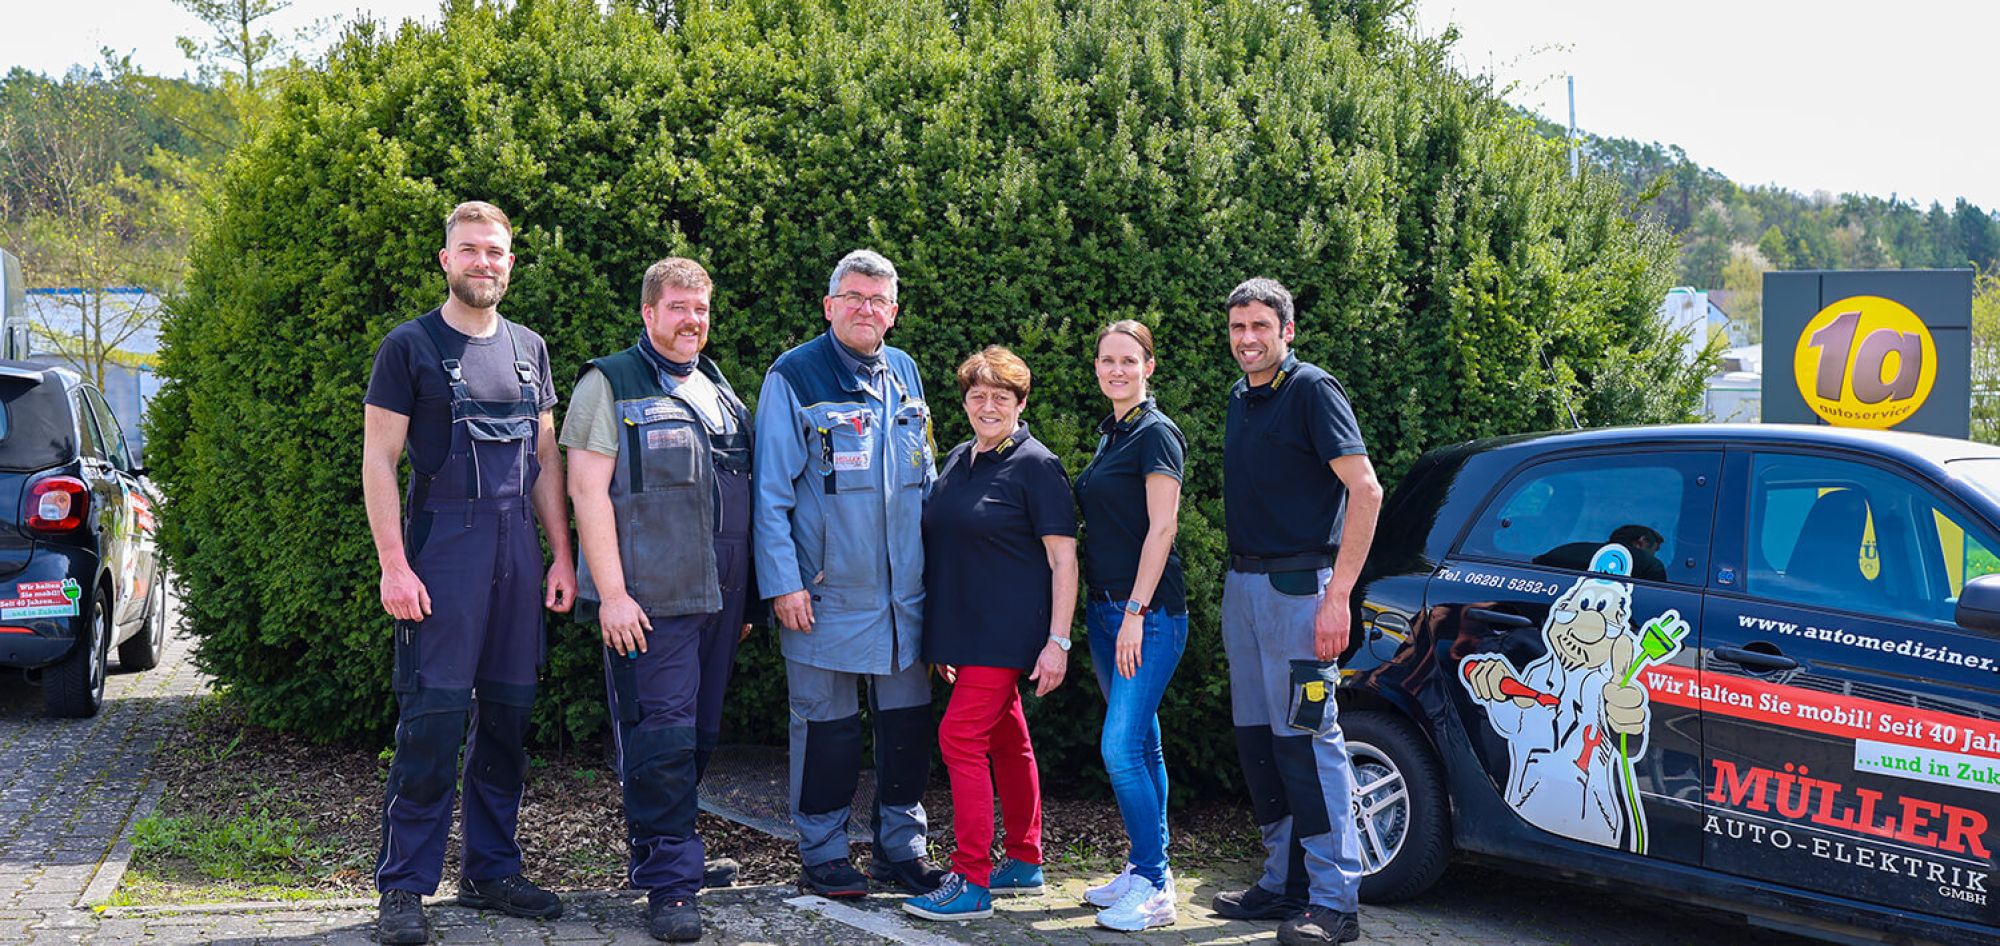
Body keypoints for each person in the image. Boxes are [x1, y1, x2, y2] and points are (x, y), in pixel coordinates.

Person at [362, 201, 576, 945]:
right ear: (446, 260)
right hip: (440, 555)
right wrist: (394, 564)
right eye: (470, 250)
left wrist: (562, 556)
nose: (484, 262)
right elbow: (379, 462)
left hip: (517, 556)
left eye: (497, 252)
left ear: (510, 263)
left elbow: (547, 461)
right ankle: (404, 887)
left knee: (509, 721)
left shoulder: (529, 350)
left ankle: (491, 871)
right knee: (433, 722)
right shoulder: (409, 347)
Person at [562, 257, 757, 941]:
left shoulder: (719, 389)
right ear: (648, 313)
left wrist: (750, 604)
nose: (691, 321)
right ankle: (672, 887)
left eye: (700, 308)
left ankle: (664, 850)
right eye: (677, 307)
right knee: (662, 736)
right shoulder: (608, 384)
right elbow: (587, 491)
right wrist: (610, 594)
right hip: (651, 600)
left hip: (720, 600)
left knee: (697, 735)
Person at [752, 249, 944, 898]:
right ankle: (825, 853)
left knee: (907, 730)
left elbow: (927, 481)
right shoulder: (794, 376)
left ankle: (901, 849)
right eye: (854, 297)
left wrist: (942, 593)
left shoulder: (906, 373)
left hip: (902, 600)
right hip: (822, 596)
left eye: (879, 300)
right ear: (829, 305)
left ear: (894, 312)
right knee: (827, 731)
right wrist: (782, 583)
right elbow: (770, 493)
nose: (867, 309)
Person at [1213, 278, 1382, 946]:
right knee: (1261, 741)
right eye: (1237, 328)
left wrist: (1337, 595)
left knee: (1310, 741)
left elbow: (1365, 492)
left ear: (1287, 331)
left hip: (1301, 596)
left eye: (1260, 326)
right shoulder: (1242, 396)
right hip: (1244, 592)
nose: (1247, 339)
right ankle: (1283, 884)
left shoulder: (1312, 390)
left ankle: (1335, 904)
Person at [901, 347, 1078, 922]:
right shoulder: (957, 459)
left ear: (1021, 403)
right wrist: (946, 641)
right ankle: (1025, 861)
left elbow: (1063, 561)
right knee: (1007, 740)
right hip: (967, 635)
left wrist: (1058, 642)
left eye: (1001, 396)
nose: (988, 405)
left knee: (958, 739)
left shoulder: (1037, 465)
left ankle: (970, 879)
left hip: (1009, 633)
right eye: (977, 395)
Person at [1070, 321, 1190, 931]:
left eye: (1128, 361)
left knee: (1119, 748)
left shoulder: (1156, 434)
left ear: (1149, 367)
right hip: (1104, 610)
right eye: (1106, 361)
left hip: (1147, 615)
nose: (1116, 370)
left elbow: (1162, 529)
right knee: (1144, 743)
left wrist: (1136, 615)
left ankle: (1155, 881)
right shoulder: (1111, 433)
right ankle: (1146, 868)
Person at [1533, 524, 1667, 581]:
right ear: (1641, 543)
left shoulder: (1564, 551)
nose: (1653, 556)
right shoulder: (1650, 566)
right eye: (1655, 550)